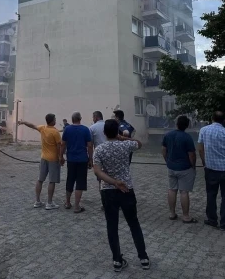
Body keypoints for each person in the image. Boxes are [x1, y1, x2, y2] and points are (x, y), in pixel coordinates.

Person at [93, 119, 150, 273]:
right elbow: (139, 143)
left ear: (104, 133)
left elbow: (97, 171)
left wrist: (113, 182)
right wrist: (123, 137)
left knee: (112, 226)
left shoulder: (99, 149)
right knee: (134, 223)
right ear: (117, 132)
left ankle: (117, 260)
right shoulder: (126, 145)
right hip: (126, 189)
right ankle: (143, 258)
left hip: (108, 190)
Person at [198, 111, 225, 230]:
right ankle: (224, 223)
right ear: (223, 120)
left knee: (211, 194)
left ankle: (212, 220)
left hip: (211, 169)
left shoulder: (204, 130)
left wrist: (205, 163)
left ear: (212, 118)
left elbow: (200, 149)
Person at [18, 114, 62, 210]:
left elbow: (32, 125)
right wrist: (60, 158)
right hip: (53, 159)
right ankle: (49, 203)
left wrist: (23, 122)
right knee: (52, 181)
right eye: (55, 119)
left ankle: (37, 201)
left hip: (43, 158)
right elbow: (59, 147)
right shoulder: (55, 133)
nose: (55, 120)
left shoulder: (42, 128)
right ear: (52, 121)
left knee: (40, 179)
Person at [162, 115, 197, 223]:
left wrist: (168, 161)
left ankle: (172, 214)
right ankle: (186, 216)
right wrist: (193, 166)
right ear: (187, 126)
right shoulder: (187, 137)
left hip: (171, 167)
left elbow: (164, 150)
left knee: (172, 190)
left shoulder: (168, 135)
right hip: (184, 168)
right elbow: (191, 155)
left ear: (176, 124)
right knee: (184, 192)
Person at [60, 112, 92, 213]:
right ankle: (77, 206)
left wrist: (61, 156)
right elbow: (90, 145)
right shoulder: (85, 129)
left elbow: (63, 144)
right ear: (80, 119)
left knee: (70, 179)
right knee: (80, 182)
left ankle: (68, 202)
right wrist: (90, 158)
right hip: (82, 159)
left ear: (72, 119)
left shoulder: (67, 129)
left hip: (71, 159)